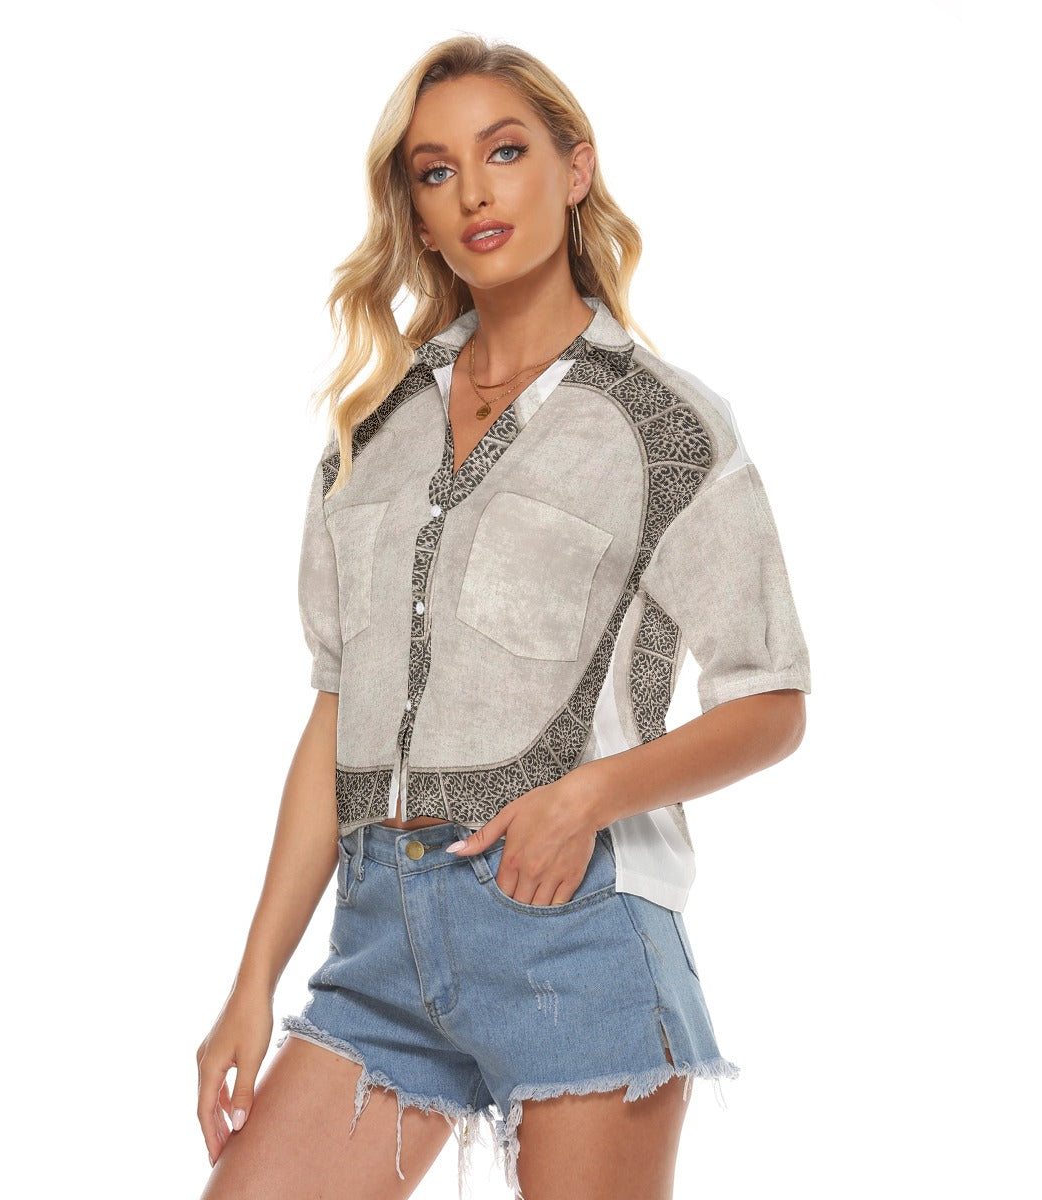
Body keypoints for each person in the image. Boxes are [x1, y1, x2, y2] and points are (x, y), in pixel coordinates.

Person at [196, 34, 810, 1200]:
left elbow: (771, 700)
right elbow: (337, 712)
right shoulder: (370, 434)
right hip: (377, 948)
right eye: (436, 171)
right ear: (420, 219)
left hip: (574, 933)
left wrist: (586, 798)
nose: (474, 191)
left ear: (575, 170)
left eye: (506, 151)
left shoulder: (667, 425)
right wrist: (252, 982)